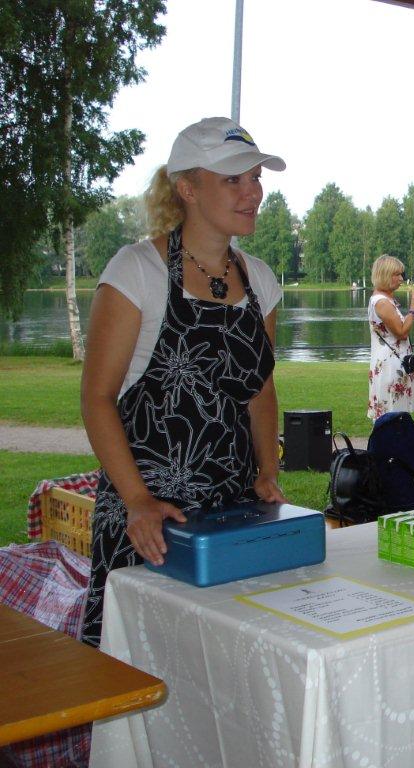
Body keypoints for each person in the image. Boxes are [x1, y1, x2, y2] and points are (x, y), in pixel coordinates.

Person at [79, 117, 287, 647]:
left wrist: (267, 470)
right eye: (233, 179)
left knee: (223, 654)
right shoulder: (136, 271)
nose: (253, 192)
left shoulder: (260, 281)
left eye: (256, 177)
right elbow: (97, 399)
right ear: (188, 188)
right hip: (151, 519)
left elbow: (260, 391)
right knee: (138, 657)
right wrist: (137, 501)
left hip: (231, 514)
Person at [367, 254, 414, 420]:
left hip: (393, 361)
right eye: (396, 274)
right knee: (392, 414)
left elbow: (396, 327)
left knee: (396, 414)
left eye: (401, 274)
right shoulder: (382, 302)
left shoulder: (384, 300)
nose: (401, 278)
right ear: (385, 275)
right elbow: (401, 332)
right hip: (391, 365)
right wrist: (412, 308)